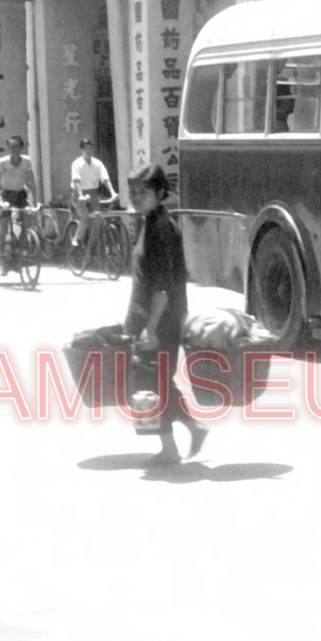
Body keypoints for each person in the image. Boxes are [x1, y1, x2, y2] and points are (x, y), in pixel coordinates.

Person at [124, 164, 206, 463]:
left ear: (159, 193)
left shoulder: (161, 228)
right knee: (155, 380)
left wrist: (152, 327)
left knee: (150, 382)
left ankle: (174, 445)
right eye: (132, 192)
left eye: (143, 193)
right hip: (152, 317)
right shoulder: (149, 222)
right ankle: (191, 430)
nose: (136, 198)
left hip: (162, 319)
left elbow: (162, 287)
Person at [0, 135, 39, 275]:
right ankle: (1, 261)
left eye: (17, 147)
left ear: (21, 147)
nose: (15, 150)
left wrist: (36, 202)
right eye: (12, 147)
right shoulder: (3, 162)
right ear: (9, 148)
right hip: (6, 195)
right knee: (3, 229)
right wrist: (0, 201)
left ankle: (20, 254)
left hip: (20, 194)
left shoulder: (26, 161)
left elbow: (31, 182)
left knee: (26, 222)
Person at [69, 139, 114, 248]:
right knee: (85, 217)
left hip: (93, 194)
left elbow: (105, 178)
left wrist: (113, 193)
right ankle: (77, 239)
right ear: (81, 150)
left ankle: (91, 246)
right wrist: (80, 195)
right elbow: (76, 181)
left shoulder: (98, 164)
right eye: (86, 149)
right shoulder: (77, 164)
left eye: (90, 148)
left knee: (98, 219)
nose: (89, 151)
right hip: (79, 195)